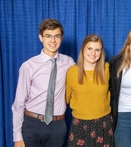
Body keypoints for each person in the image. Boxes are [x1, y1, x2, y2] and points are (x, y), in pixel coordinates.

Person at [12, 18, 75, 147]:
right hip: (32, 124)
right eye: (48, 36)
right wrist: (17, 136)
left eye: (57, 36)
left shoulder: (69, 63)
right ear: (41, 37)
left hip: (57, 126)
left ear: (61, 38)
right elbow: (19, 103)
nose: (53, 40)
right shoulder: (29, 66)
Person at [65, 34, 115, 147]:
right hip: (79, 124)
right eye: (90, 48)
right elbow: (65, 98)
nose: (93, 53)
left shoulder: (107, 68)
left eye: (97, 50)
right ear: (83, 49)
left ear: (101, 52)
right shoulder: (72, 72)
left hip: (103, 123)